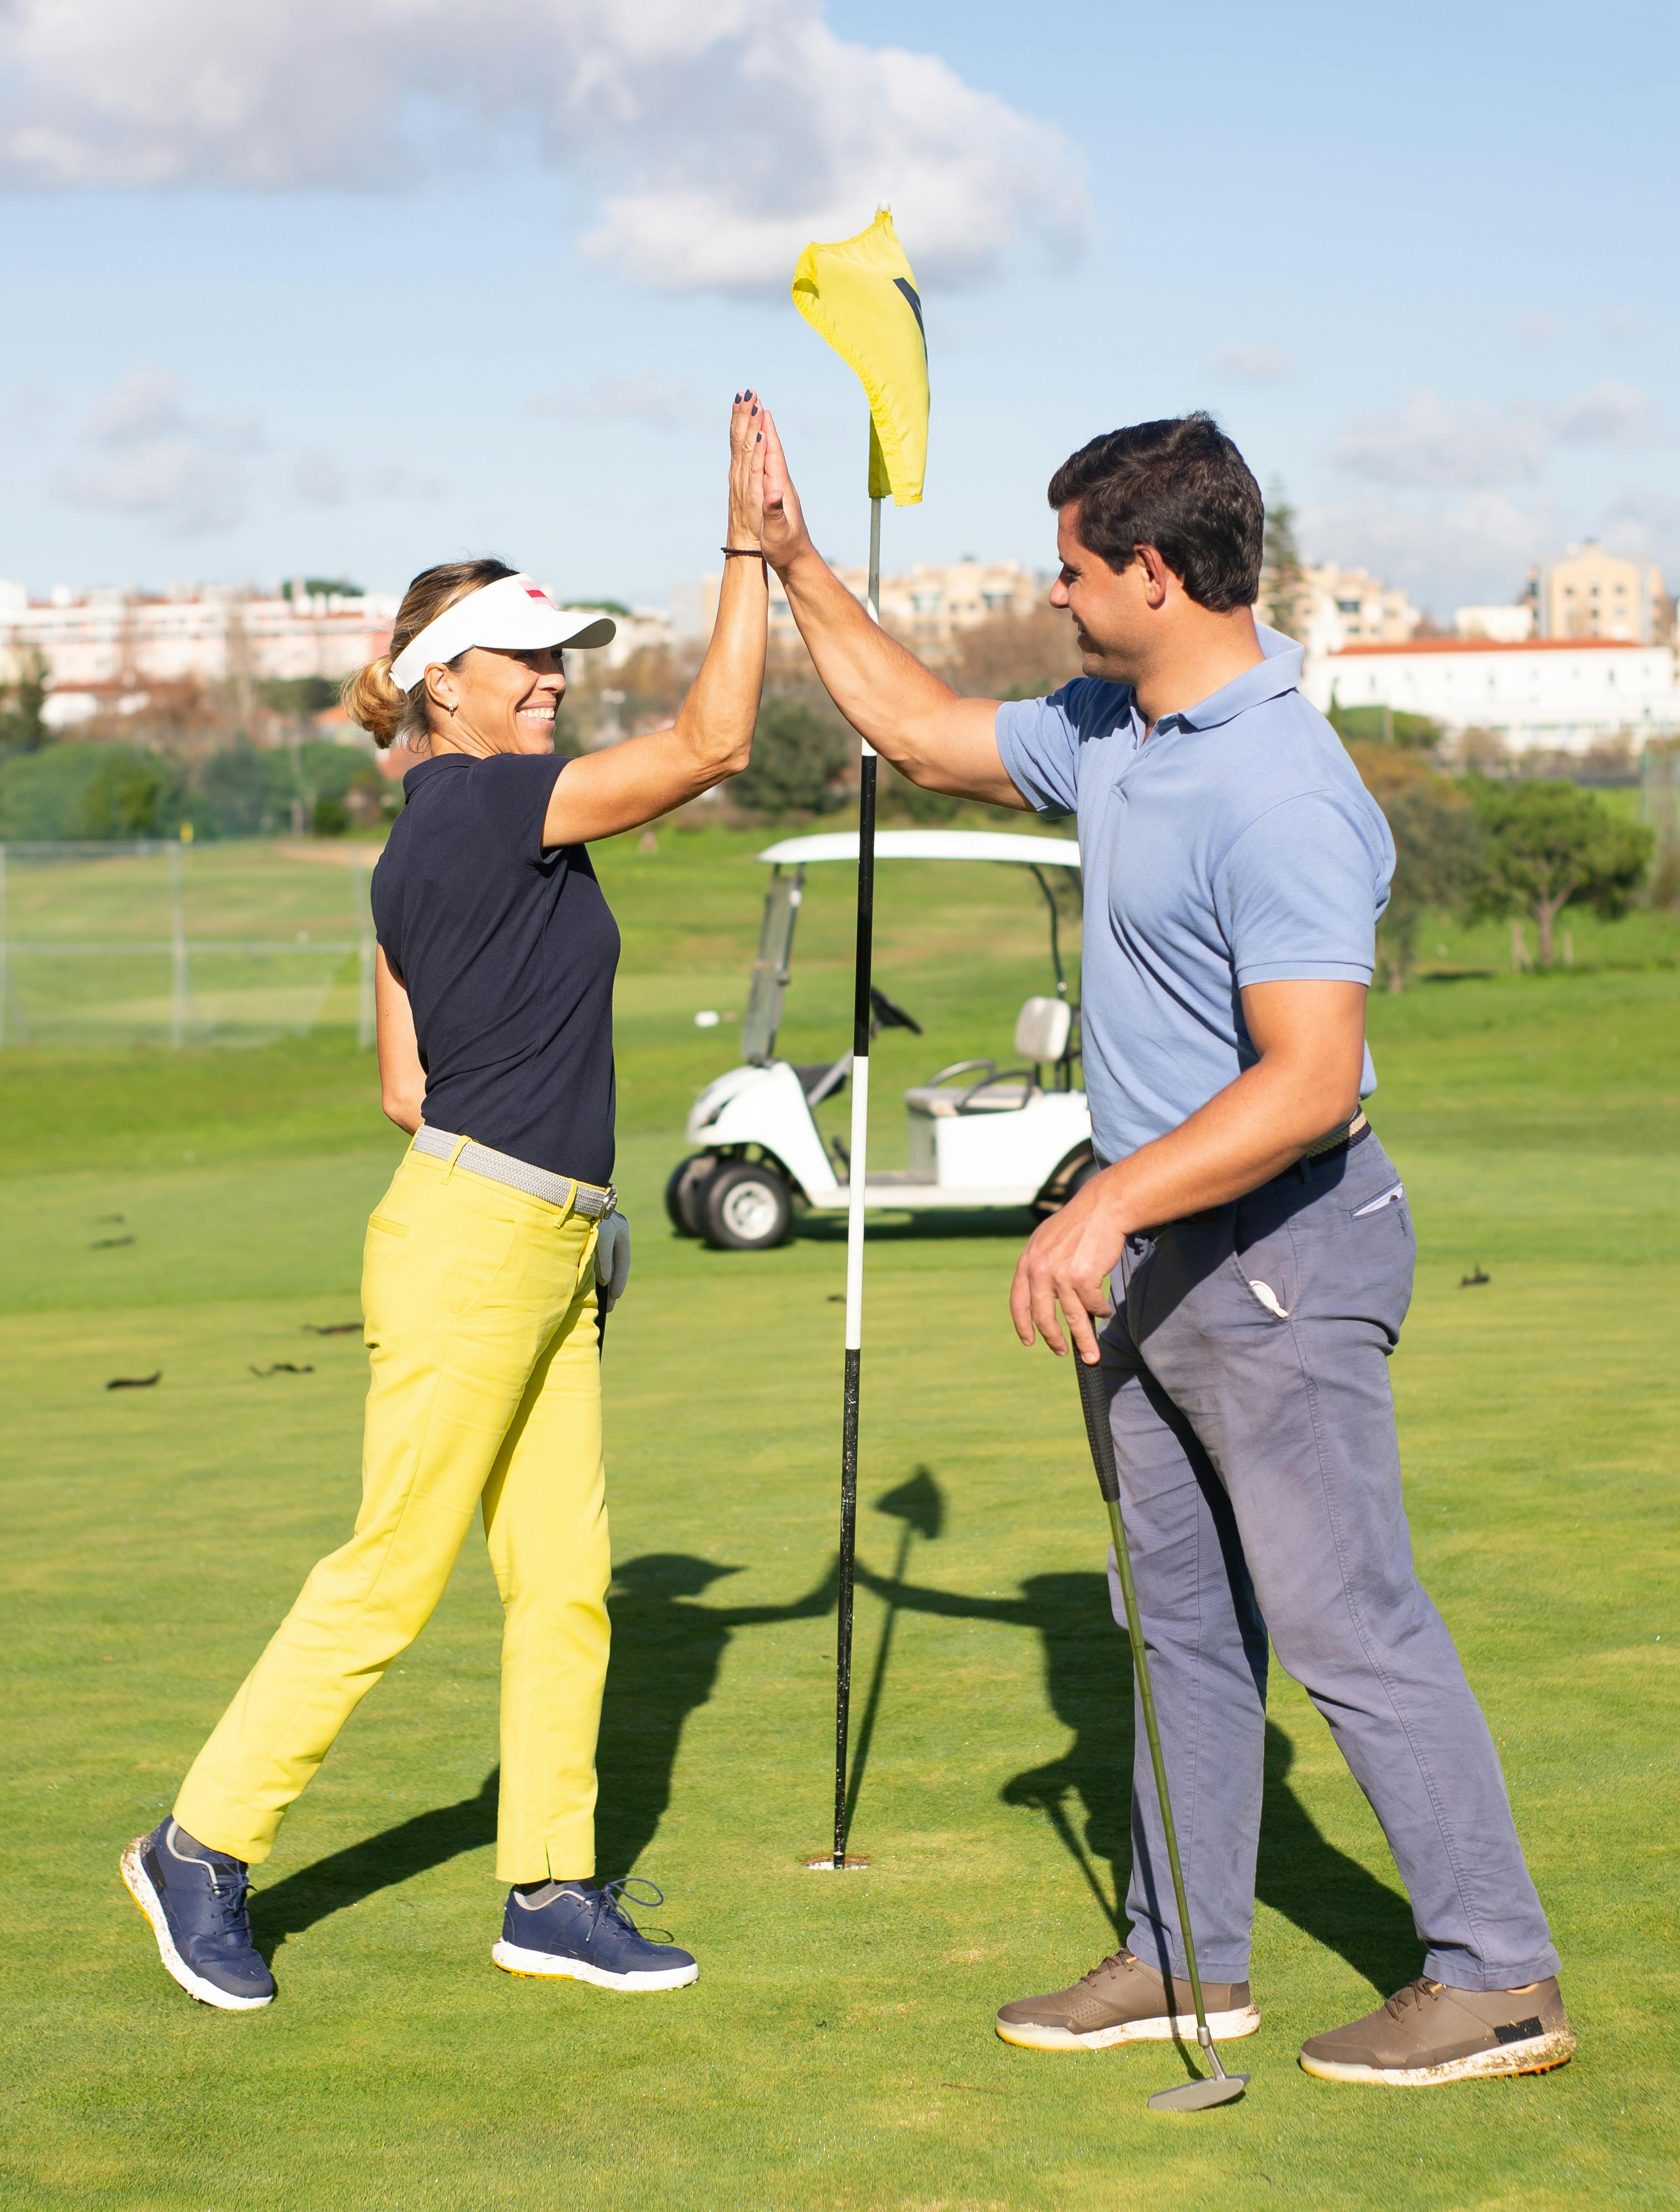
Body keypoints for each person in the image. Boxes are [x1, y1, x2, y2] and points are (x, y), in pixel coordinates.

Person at [747, 406, 1573, 2088]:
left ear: (1158, 571)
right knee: (1184, 1630)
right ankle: (1186, 1959)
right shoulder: (1117, 728)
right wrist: (794, 565)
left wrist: (1107, 1201)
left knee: (1350, 1627)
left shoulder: (1279, 788)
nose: (1053, 599)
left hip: (1277, 1255)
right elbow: (916, 728)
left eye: (1072, 570)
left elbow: (1314, 1081)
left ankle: (1498, 1978)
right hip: (1155, 1261)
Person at [122, 396, 776, 2008]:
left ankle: (549, 1888)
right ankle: (199, 1847)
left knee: (563, 1578)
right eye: (526, 660)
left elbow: (405, 1082)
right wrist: (751, 554)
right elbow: (714, 743)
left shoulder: (438, 836)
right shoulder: (487, 804)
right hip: (485, 1246)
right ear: (441, 684)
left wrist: (574, 1198)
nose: (555, 677)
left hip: (528, 1232)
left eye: (560, 658)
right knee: (393, 1572)